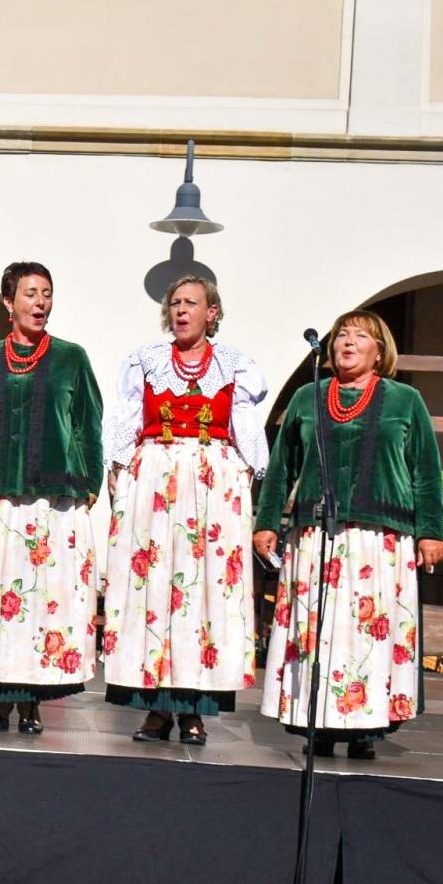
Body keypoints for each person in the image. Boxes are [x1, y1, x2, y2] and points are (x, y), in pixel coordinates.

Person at [256, 310, 443, 759]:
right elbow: (281, 467)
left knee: (367, 633)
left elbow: (426, 470)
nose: (347, 341)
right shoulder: (307, 397)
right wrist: (266, 522)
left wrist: (430, 532)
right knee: (317, 630)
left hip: (378, 540)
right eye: (342, 334)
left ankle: (366, 726)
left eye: (360, 336)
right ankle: (317, 720)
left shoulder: (404, 400)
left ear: (380, 351)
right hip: (316, 534)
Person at [100, 277, 269, 744]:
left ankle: (193, 708)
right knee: (153, 591)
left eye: (191, 303)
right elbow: (124, 422)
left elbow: (247, 435)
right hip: (154, 479)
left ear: (212, 312)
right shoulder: (146, 362)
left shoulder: (235, 366)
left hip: (211, 485)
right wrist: (118, 472)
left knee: (202, 597)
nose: (180, 310)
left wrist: (243, 481)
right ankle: (155, 709)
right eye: (174, 303)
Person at [0, 262, 103, 734]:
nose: (40, 302)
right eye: (30, 294)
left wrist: (88, 484)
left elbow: (88, 423)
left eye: (46, 294)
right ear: (9, 302)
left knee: (42, 604)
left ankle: (32, 699)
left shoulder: (72, 358)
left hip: (52, 502)